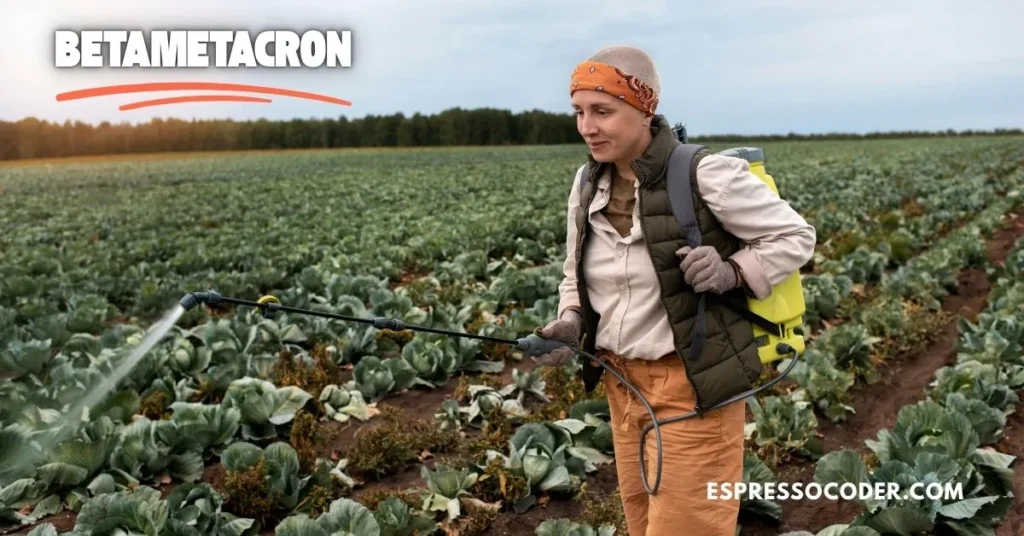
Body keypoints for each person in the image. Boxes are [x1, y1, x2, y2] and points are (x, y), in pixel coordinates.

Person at [534, 46, 816, 536]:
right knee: (642, 523)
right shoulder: (586, 183)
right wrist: (572, 318)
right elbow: (573, 272)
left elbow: (797, 237)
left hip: (692, 388)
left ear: (644, 109)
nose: (587, 126)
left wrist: (732, 269)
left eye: (603, 111)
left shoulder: (704, 174)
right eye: (579, 111)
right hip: (621, 386)